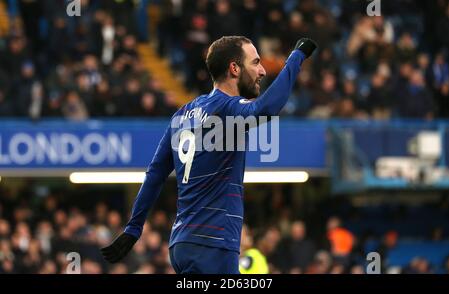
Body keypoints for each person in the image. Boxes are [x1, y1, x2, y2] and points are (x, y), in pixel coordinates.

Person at [101, 36, 317, 274]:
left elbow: (155, 174)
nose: (263, 71)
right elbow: (266, 108)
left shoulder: (182, 115)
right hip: (214, 241)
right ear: (234, 68)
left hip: (182, 243)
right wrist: (297, 57)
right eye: (255, 63)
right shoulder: (226, 109)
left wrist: (134, 227)